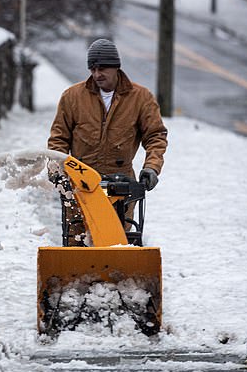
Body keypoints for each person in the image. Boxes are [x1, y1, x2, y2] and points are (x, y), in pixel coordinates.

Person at [47, 38, 168, 246]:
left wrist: (152, 168)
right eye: (93, 69)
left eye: (102, 69)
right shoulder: (72, 97)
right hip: (81, 181)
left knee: (116, 238)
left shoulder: (140, 98)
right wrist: (57, 169)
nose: (97, 74)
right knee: (77, 237)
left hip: (120, 183)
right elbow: (59, 138)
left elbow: (155, 136)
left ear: (116, 68)